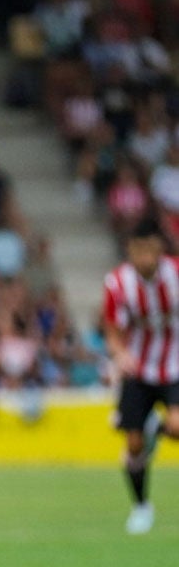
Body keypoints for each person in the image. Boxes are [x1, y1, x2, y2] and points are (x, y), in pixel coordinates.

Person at [101, 218, 179, 534]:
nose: (143, 258)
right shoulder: (118, 283)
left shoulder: (176, 274)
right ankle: (141, 507)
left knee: (176, 427)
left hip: (175, 365)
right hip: (139, 368)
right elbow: (111, 329)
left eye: (149, 251)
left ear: (159, 249)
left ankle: (156, 428)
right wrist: (119, 354)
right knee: (133, 445)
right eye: (137, 251)